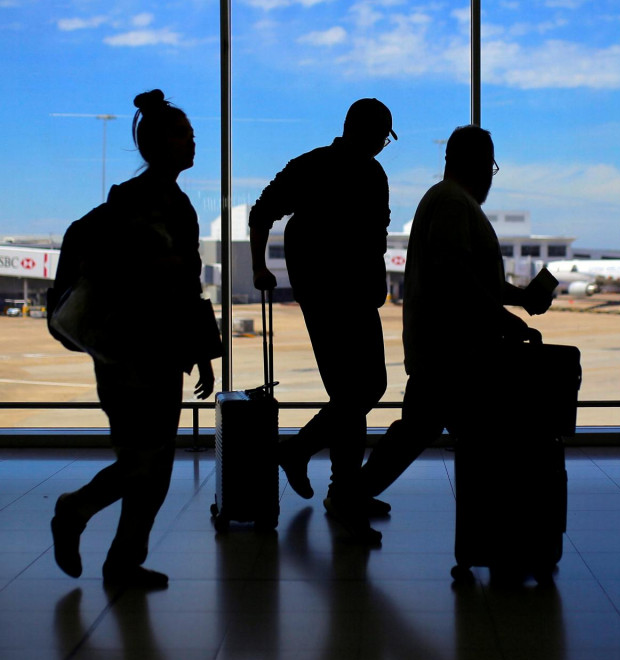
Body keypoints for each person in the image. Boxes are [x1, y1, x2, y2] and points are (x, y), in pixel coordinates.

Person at [346, 125, 552, 543]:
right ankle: (496, 529)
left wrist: (519, 299)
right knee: (471, 436)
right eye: (491, 165)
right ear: (478, 164)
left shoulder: (447, 201)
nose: (492, 176)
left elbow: (471, 275)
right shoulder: (455, 204)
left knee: (419, 429)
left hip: (445, 346)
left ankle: (352, 497)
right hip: (452, 349)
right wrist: (504, 319)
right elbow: (455, 277)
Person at [50, 89, 222, 589]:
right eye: (182, 134)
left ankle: (124, 561)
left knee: (157, 467)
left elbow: (189, 288)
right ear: (157, 143)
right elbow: (120, 275)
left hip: (163, 350)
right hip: (128, 352)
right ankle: (75, 509)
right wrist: (156, 267)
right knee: (143, 462)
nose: (192, 142)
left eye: (192, 134)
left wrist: (202, 355)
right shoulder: (131, 205)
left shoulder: (180, 207)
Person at [248, 98, 396, 537]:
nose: (383, 146)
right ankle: (342, 492)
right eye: (382, 137)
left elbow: (376, 238)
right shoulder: (329, 168)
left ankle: (303, 455)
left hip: (353, 295)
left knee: (363, 390)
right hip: (331, 297)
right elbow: (262, 213)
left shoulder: (355, 171)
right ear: (364, 131)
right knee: (356, 393)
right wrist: (258, 266)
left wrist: (262, 264)